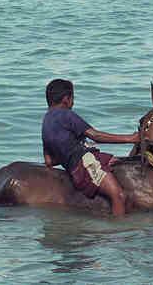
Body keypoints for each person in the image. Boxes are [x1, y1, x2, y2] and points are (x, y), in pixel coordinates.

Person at [41, 79, 139, 216]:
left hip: (77, 163)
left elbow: (49, 161)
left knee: (115, 160)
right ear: (66, 99)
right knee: (120, 196)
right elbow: (95, 135)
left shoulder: (46, 122)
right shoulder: (66, 115)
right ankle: (119, 232)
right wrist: (130, 138)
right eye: (72, 98)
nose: (72, 103)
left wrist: (67, 156)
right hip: (84, 163)